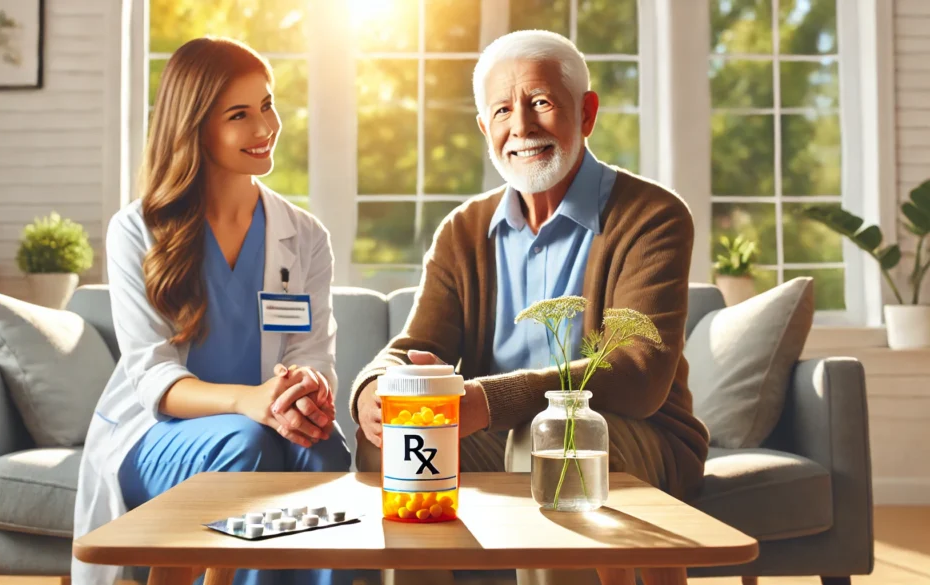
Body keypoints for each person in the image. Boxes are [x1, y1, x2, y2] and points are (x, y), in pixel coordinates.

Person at [349, 30, 710, 585]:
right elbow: (414, 348)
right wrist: (376, 387)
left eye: (540, 102)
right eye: (502, 110)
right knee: (397, 442)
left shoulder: (653, 216)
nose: (521, 127)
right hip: (503, 436)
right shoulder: (463, 231)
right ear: (484, 128)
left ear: (586, 113)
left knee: (550, 436)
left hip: (638, 434)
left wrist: (490, 401)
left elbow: (638, 376)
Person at [72, 37, 352, 585]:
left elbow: (312, 351)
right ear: (195, 126)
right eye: (239, 115)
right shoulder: (138, 231)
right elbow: (154, 377)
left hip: (267, 429)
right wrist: (251, 403)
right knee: (245, 446)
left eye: (267, 105)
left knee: (326, 455)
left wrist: (306, 392)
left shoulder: (306, 237)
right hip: (159, 434)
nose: (265, 127)